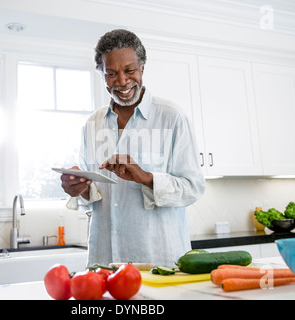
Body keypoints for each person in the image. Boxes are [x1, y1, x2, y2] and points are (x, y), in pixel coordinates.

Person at [61, 29, 205, 268]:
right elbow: (93, 197)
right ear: (102, 75)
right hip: (105, 264)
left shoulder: (172, 118)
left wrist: (147, 178)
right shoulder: (92, 124)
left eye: (129, 71)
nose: (122, 82)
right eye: (111, 74)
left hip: (159, 264)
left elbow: (193, 188)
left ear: (142, 68)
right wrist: (79, 189)